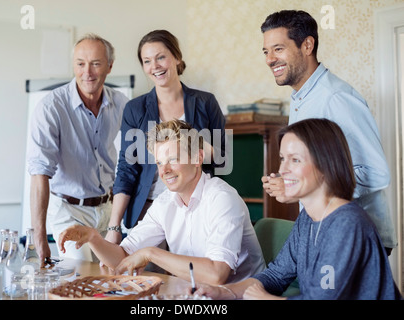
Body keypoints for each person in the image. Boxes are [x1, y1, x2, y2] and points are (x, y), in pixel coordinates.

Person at [194, 118, 402, 300]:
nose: (283, 170)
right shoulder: (308, 218)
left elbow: (323, 298)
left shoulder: (347, 224)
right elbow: (275, 276)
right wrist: (223, 292)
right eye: (283, 158)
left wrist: (265, 299)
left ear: (326, 164)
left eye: (295, 160)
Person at [58, 119, 265, 284]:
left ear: (197, 158)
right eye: (159, 162)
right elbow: (122, 258)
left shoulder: (222, 199)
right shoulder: (164, 203)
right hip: (197, 294)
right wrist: (94, 238)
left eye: (173, 159)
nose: (164, 171)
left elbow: (216, 274)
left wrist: (150, 253)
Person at [260, 10, 397, 254]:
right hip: (326, 231)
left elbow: (377, 173)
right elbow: (321, 166)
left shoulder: (336, 98)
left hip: (355, 235)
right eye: (266, 51)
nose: (270, 59)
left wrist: (305, 187)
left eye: (278, 49)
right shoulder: (301, 98)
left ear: (307, 45)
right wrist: (291, 181)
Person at [105, 30, 226, 244]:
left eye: (161, 57)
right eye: (147, 61)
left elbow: (223, 159)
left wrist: (188, 142)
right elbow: (127, 168)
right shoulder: (135, 109)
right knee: (145, 276)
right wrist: (114, 226)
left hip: (195, 208)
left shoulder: (206, 103)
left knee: (189, 275)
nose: (155, 66)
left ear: (176, 57)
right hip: (149, 210)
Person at [26, 33, 129, 263]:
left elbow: (139, 155)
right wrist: (40, 240)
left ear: (109, 66)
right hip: (69, 211)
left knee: (112, 276)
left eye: (95, 63)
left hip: (108, 209)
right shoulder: (51, 108)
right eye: (80, 64)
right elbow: (39, 174)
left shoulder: (121, 104)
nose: (87, 72)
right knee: (80, 275)